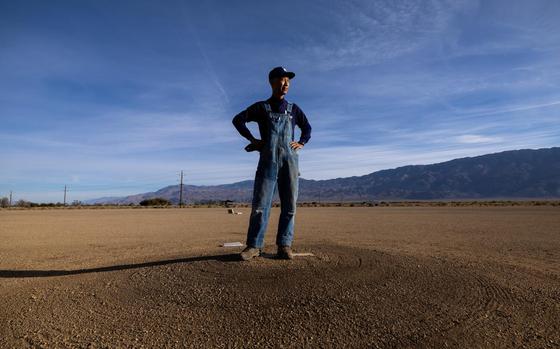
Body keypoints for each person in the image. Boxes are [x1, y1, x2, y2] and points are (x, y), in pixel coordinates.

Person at [232, 66, 312, 260]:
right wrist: (254, 140)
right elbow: (238, 120)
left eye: (288, 81)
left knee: (290, 204)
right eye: (282, 80)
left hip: (290, 161)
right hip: (268, 161)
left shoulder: (294, 109)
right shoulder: (261, 107)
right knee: (260, 204)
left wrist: (301, 142)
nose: (286, 84)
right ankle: (254, 246)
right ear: (272, 82)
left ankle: (284, 245)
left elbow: (307, 127)